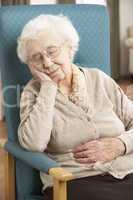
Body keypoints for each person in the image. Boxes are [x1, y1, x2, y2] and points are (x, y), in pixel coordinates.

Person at [17, 14, 133, 200]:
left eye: (52, 51)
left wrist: (122, 144)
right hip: (75, 181)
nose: (46, 63)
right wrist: (48, 87)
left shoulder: (98, 79)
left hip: (126, 171)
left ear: (70, 49)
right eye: (37, 58)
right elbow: (34, 143)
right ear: (30, 65)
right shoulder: (32, 93)